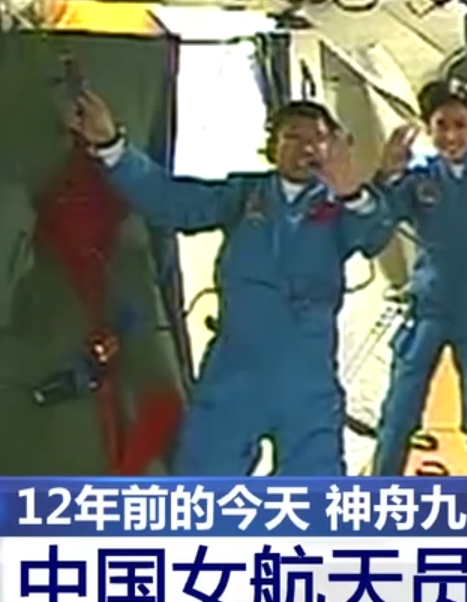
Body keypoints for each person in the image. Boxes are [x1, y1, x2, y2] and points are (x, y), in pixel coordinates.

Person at [66, 88, 393, 476]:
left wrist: (352, 192)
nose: (306, 147)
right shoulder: (243, 196)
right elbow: (171, 201)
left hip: (306, 380)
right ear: (272, 146)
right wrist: (111, 145)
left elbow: (375, 234)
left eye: (317, 138)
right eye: (292, 136)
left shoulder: (344, 208)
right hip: (235, 371)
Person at [369, 80, 467, 475]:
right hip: (429, 305)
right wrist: (386, 176)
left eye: (460, 125)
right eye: (441, 125)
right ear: (429, 128)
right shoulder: (418, 176)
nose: (451, 136)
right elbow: (379, 219)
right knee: (400, 411)